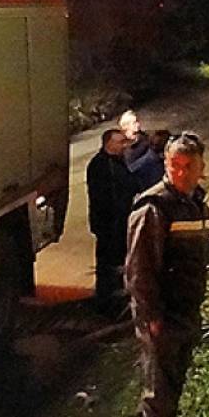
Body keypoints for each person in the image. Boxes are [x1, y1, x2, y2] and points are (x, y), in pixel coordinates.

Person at [125, 132, 209, 417]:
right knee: (158, 400)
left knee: (168, 396)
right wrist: (152, 317)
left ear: (201, 167)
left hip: (185, 316)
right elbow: (138, 271)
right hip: (163, 321)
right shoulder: (153, 208)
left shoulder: (196, 205)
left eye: (188, 166)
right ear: (166, 166)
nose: (181, 172)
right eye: (175, 166)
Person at [87, 129, 136, 312]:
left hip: (119, 223)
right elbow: (104, 197)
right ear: (109, 143)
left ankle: (114, 299)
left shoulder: (118, 163)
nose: (124, 146)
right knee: (108, 264)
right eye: (120, 142)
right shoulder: (101, 165)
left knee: (117, 263)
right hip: (109, 225)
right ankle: (107, 302)